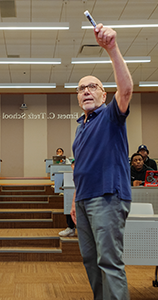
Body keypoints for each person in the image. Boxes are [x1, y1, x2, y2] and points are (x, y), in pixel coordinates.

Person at [70, 23, 133, 300]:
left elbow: (127, 89)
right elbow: (80, 168)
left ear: (103, 94)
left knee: (109, 263)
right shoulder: (80, 126)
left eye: (92, 86)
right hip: (84, 200)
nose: (86, 91)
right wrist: (74, 201)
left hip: (107, 197)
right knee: (91, 262)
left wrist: (112, 48)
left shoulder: (110, 116)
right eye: (81, 88)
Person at [59, 159, 76, 237]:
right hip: (71, 199)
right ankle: (70, 228)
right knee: (68, 207)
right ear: (71, 166)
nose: (75, 166)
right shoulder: (67, 176)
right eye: (74, 164)